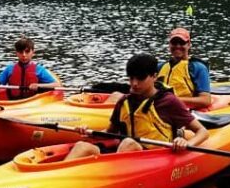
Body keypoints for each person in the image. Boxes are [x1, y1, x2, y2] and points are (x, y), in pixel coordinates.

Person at [64, 53, 208, 160]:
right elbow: (109, 132)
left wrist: (186, 143)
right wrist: (89, 132)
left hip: (154, 157)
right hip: (123, 155)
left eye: (140, 78)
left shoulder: (169, 102)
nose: (134, 84)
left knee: (129, 143)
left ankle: (111, 183)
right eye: (131, 78)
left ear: (154, 76)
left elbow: (202, 131)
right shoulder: (124, 102)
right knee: (82, 146)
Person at [0, 36, 60, 100]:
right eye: (20, 52)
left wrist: (38, 85)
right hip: (14, 102)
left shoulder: (39, 70)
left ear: (33, 53)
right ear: (16, 53)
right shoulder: (10, 69)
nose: (24, 55)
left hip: (33, 101)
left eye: (27, 52)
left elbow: (56, 85)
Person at [158, 27, 212, 109]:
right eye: (174, 43)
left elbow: (206, 100)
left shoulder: (198, 68)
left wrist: (173, 100)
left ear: (189, 44)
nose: (178, 46)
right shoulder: (161, 67)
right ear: (169, 44)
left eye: (182, 43)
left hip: (186, 111)